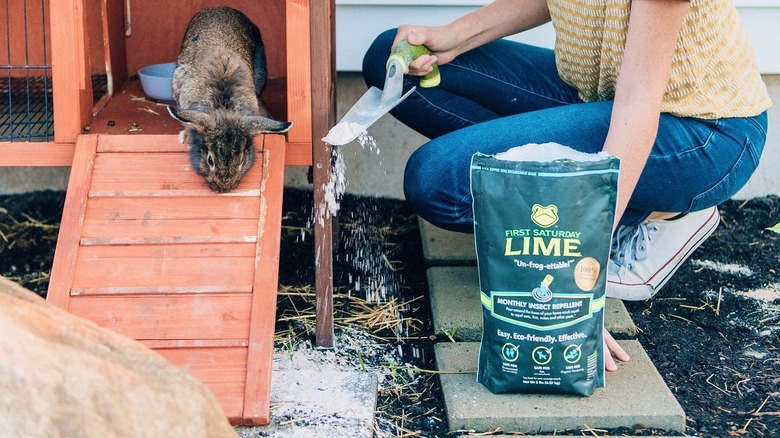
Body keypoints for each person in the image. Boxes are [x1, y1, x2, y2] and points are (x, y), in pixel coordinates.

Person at [362, 0, 772, 370]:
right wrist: (455, 37)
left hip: (700, 132)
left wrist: (573, 280)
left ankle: (667, 208)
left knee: (437, 182)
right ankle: (578, 189)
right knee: (391, 60)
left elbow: (638, 104)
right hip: (598, 97)